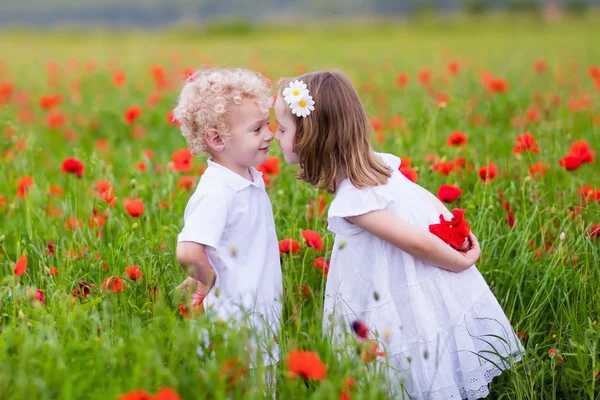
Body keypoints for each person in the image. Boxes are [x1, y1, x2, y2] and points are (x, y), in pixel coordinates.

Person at [273, 70, 524, 399]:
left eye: (282, 128)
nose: (275, 135)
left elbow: (416, 242)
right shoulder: (380, 167)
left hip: (387, 293)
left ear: (311, 135)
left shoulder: (355, 200)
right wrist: (456, 231)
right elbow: (429, 201)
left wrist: (462, 262)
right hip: (401, 281)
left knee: (400, 367)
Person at [172, 68, 282, 371]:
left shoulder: (247, 178)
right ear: (217, 139)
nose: (269, 134)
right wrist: (205, 279)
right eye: (257, 129)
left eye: (268, 125)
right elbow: (188, 249)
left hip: (257, 315)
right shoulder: (218, 191)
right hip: (232, 322)